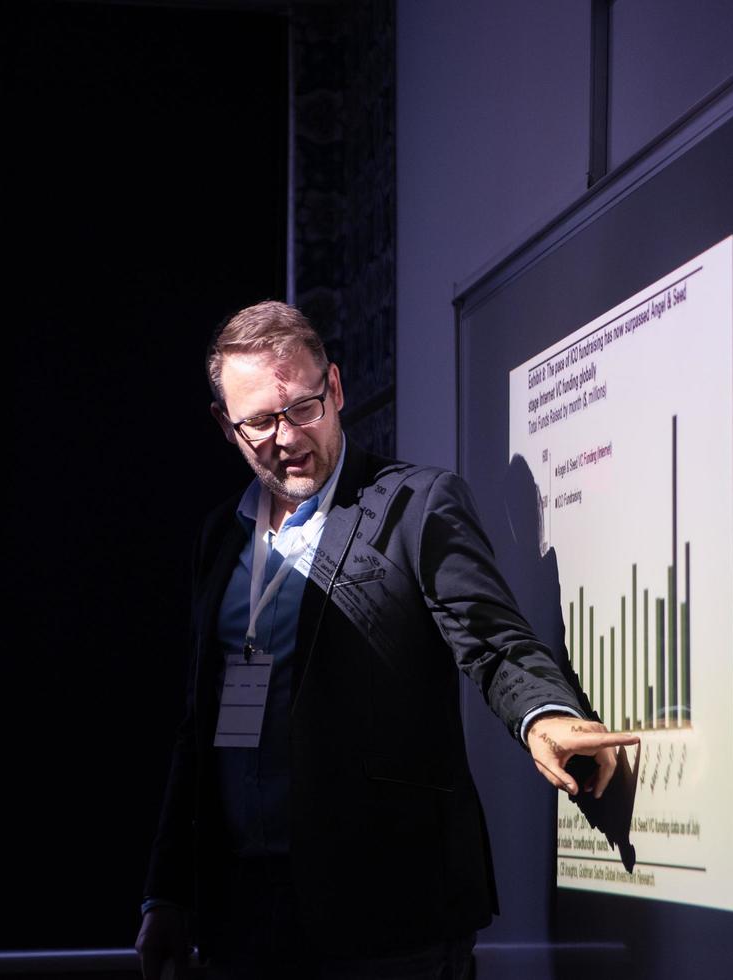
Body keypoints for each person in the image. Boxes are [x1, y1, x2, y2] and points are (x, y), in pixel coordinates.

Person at [135, 301, 636, 979]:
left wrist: (544, 713)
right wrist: (166, 894)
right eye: (258, 422)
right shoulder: (217, 538)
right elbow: (198, 732)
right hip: (242, 922)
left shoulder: (415, 504)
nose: (285, 438)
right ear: (227, 427)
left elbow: (491, 640)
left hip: (388, 920)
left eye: (303, 408)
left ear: (336, 390)